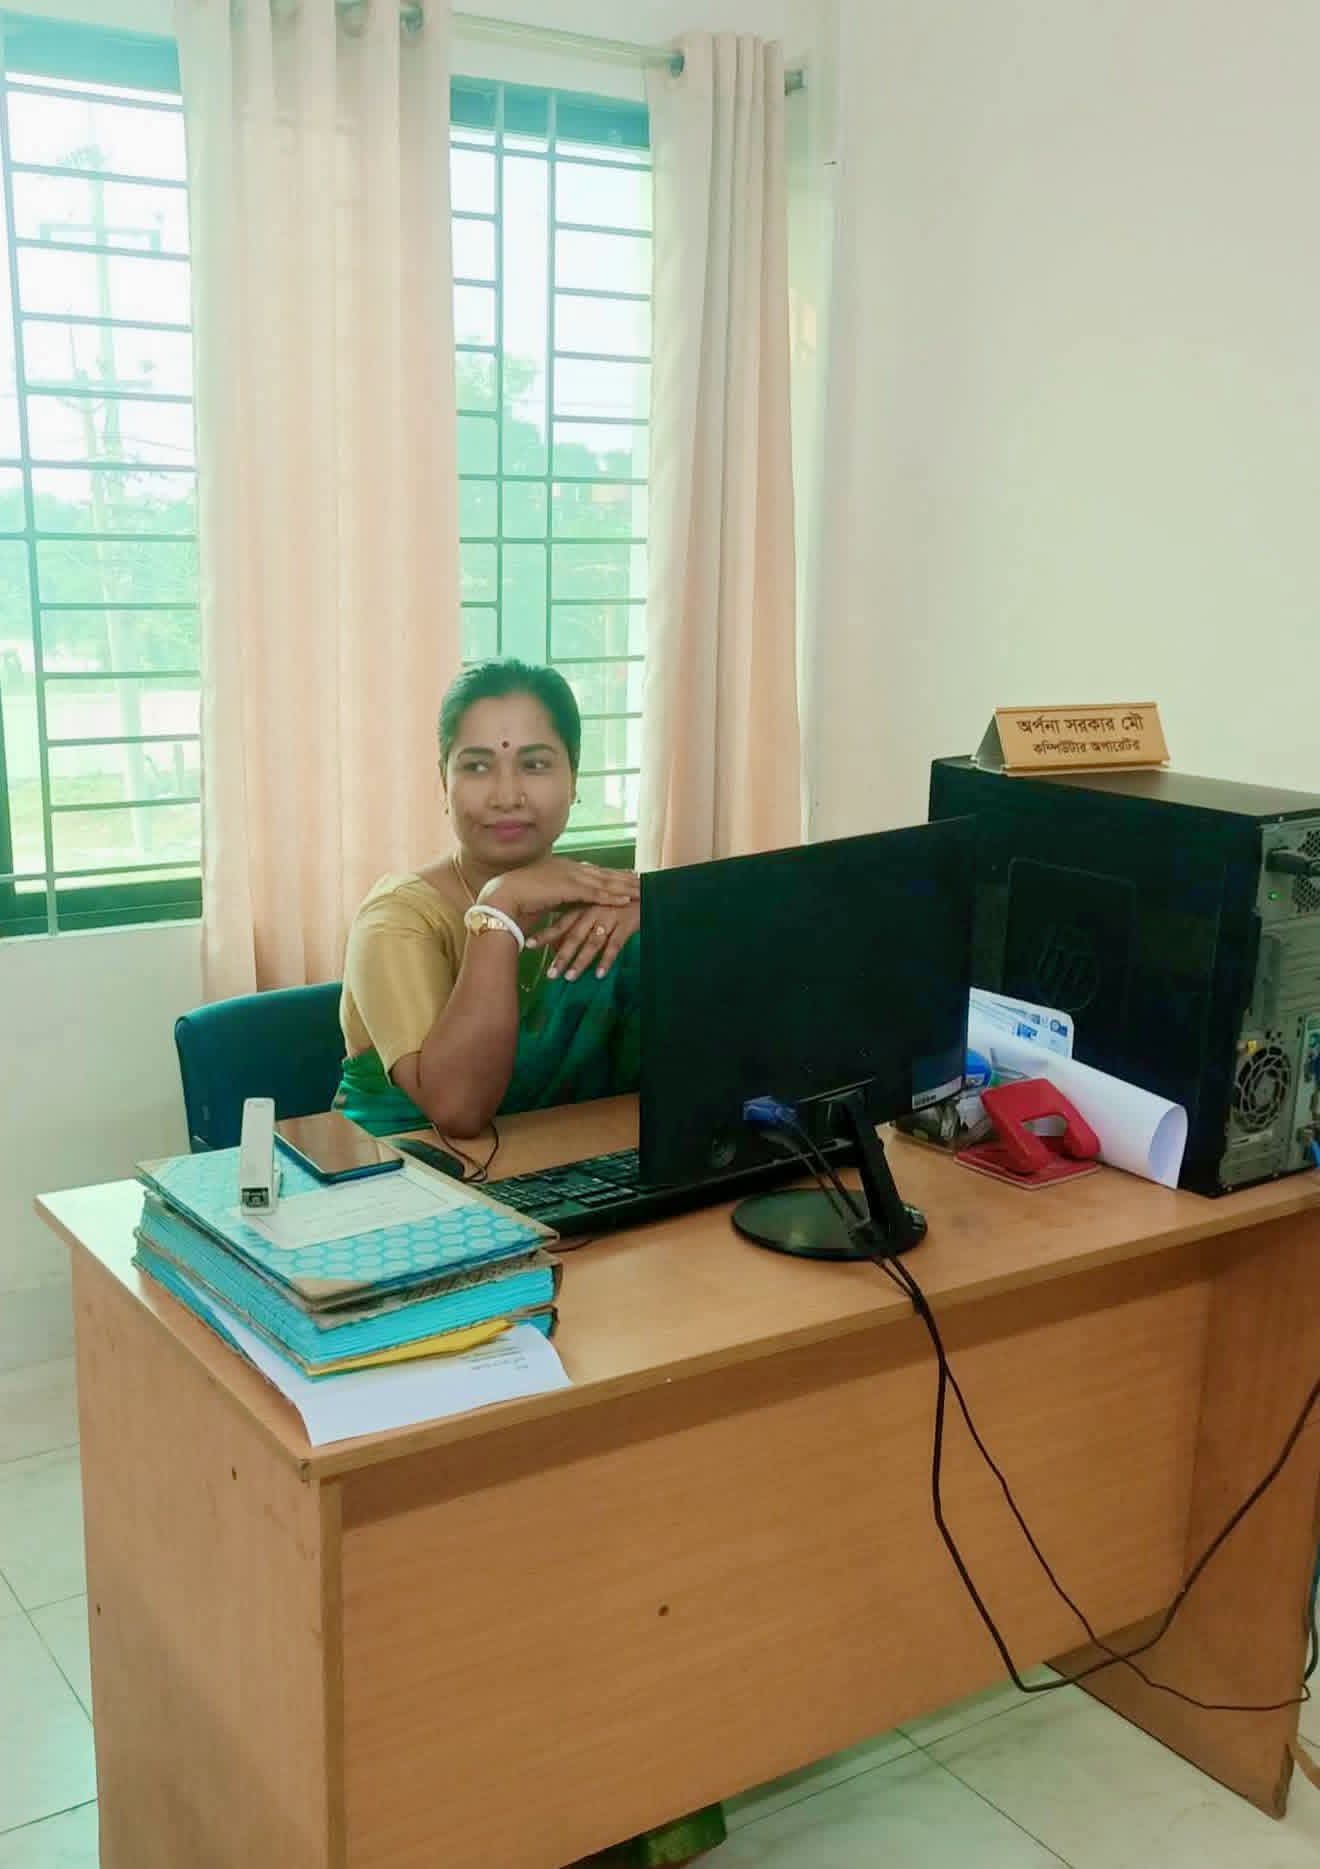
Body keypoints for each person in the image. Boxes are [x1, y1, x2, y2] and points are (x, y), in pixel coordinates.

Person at [336, 658, 727, 1868]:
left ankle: (626, 1762)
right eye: (479, 762)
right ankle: (488, 1782)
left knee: (654, 1468)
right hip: (413, 1231)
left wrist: (670, 921)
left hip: (576, 1216)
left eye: (536, 761)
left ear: (575, 773)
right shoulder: (401, 919)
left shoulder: (606, 896)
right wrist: (501, 916)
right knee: (506, 1520)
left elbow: (709, 1044)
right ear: (441, 778)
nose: (508, 791)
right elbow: (456, 1107)